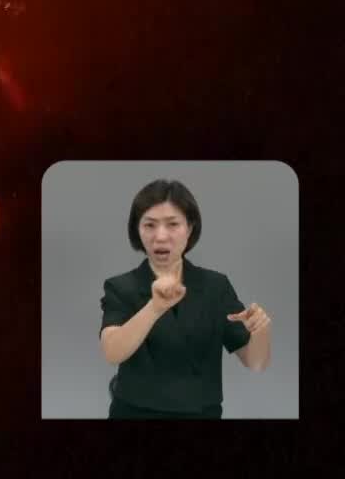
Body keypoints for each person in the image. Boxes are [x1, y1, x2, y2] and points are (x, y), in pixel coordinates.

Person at [98, 179, 273, 418]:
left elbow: (256, 363)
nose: (161, 236)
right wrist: (154, 308)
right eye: (149, 225)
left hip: (202, 414)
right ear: (137, 231)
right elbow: (112, 352)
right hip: (134, 412)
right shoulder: (121, 287)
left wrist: (261, 329)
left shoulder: (216, 286)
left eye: (173, 224)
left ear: (190, 228)